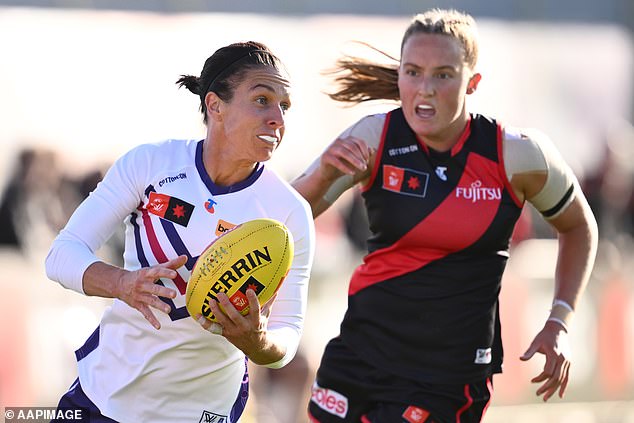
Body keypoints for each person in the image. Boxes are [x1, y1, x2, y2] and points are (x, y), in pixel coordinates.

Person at [293, 9, 598, 423]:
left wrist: (558, 321)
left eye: (443, 75)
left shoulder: (518, 155)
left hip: (446, 377)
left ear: (472, 83)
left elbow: (579, 226)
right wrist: (324, 174)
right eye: (413, 72)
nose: (425, 89)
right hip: (359, 355)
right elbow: (289, 216)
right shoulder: (372, 137)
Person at [45, 41, 315, 422]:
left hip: (203, 411)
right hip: (105, 395)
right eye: (262, 100)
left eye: (284, 107)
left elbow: (287, 335)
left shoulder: (289, 212)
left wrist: (257, 342)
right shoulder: (150, 164)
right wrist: (123, 283)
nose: (277, 119)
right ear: (214, 105)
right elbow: (62, 255)